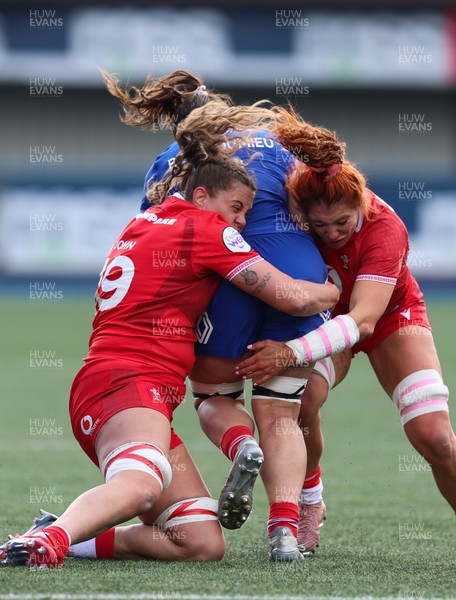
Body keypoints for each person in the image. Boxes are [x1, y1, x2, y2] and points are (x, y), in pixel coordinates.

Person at [1, 102, 339, 569]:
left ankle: (62, 534)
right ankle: (50, 541)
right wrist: (332, 291)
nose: (242, 222)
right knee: (140, 485)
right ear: (201, 197)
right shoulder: (206, 230)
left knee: (200, 542)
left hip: (127, 386)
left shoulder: (144, 219)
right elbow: (293, 299)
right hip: (127, 384)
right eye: (237, 209)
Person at [102, 69, 334, 561]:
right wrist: (333, 288)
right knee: (282, 409)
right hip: (296, 268)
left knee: (213, 396)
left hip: (228, 279)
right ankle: (286, 531)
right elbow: (330, 202)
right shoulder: (278, 140)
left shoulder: (170, 163)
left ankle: (240, 444)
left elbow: (158, 234)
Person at [235, 106, 456, 542]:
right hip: (321, 316)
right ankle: (310, 497)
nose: (332, 234)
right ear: (302, 212)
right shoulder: (290, 210)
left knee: (435, 439)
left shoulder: (384, 226)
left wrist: (290, 352)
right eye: (321, 226)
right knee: (302, 401)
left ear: (360, 202)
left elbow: (365, 319)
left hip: (386, 316)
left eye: (342, 223)